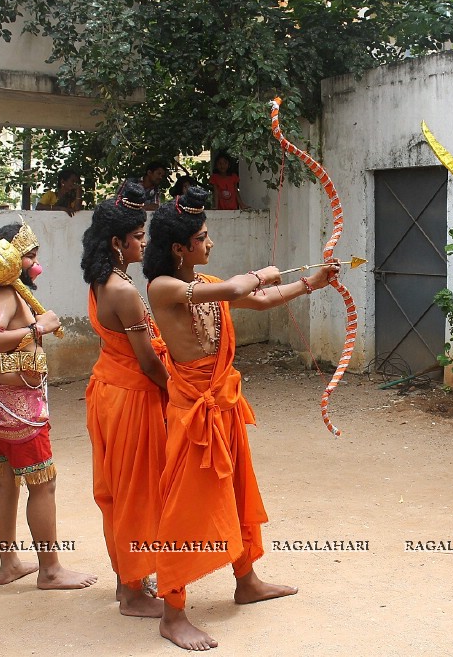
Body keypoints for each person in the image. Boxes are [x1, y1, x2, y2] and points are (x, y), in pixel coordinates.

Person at [144, 186, 338, 650]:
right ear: (179, 248)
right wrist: (260, 273)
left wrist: (314, 282)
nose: (209, 244)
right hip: (194, 414)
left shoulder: (205, 283)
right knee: (187, 509)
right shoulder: (163, 287)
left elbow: (262, 300)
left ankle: (246, 580)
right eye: (203, 238)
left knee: (237, 493)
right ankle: (173, 612)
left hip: (223, 406)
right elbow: (238, 288)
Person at [0, 221, 97, 589]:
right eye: (30, 257)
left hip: (2, 403)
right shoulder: (1, 294)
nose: (35, 264)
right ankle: (50, 570)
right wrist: (38, 328)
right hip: (16, 408)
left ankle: (9, 564)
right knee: (43, 483)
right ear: (10, 259)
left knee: (7, 482)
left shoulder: (6, 292)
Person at [81, 181, 170, 617]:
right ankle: (133, 593)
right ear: (117, 242)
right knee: (135, 493)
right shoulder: (124, 291)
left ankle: (127, 582)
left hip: (107, 394)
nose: (144, 243)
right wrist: (178, 394)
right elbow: (149, 363)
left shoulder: (102, 281)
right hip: (132, 399)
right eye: (138, 236)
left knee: (117, 491)